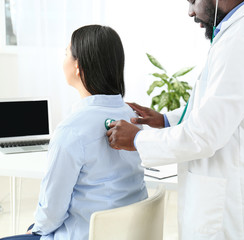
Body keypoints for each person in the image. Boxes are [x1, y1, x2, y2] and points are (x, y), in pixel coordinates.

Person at [107, 0, 244, 239]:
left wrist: (138, 140)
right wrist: (165, 120)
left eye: (193, 1)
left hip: (232, 208)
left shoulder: (240, 43)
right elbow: (217, 107)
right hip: (242, 188)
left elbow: (205, 134)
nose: (190, 11)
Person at [1, 25, 148, 240]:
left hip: (85, 234)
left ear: (78, 66)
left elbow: (52, 210)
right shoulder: (131, 116)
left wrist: (38, 228)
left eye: (66, 53)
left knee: (34, 227)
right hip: (126, 232)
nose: (63, 60)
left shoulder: (71, 129)